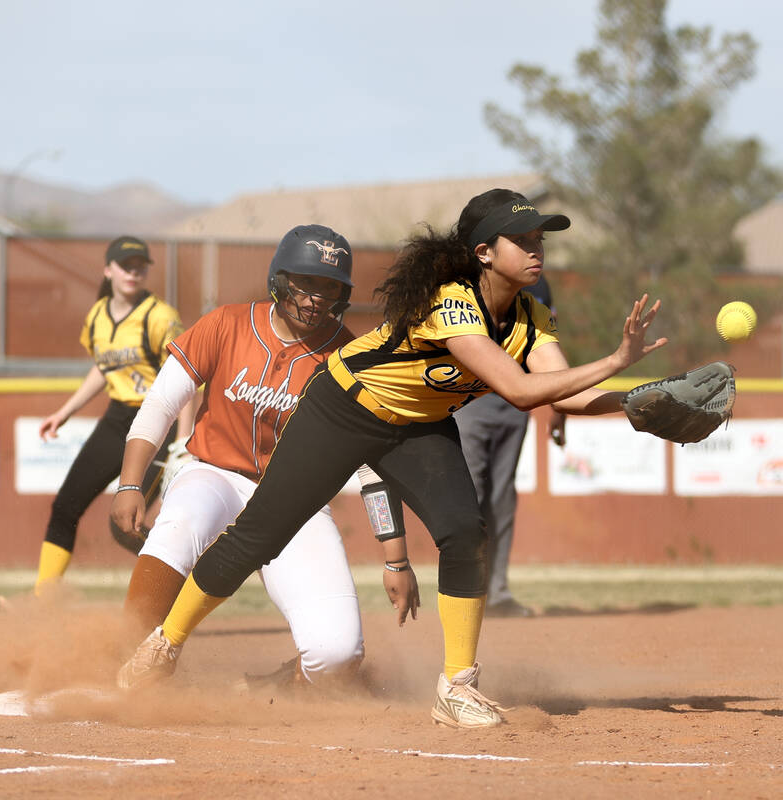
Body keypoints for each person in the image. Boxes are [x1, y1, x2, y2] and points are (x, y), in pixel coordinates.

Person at [117, 188, 668, 729]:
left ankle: (457, 687)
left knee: (463, 531)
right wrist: (619, 359)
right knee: (260, 533)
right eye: (520, 239)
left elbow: (560, 391)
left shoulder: (531, 315)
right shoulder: (451, 301)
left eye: (539, 238)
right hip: (343, 408)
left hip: (419, 424)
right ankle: (164, 644)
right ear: (483, 252)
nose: (536, 249)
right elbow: (522, 391)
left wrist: (640, 403)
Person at [110, 224, 419, 690]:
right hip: (213, 473)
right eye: (306, 281)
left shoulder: (348, 356)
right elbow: (160, 404)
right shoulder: (227, 323)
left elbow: (370, 464)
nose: (317, 296)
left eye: (330, 286)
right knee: (179, 527)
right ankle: (126, 664)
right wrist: (131, 483)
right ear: (279, 278)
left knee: (337, 654)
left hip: (296, 499)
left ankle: (276, 690)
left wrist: (395, 557)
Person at [26, 235, 191, 598]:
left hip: (157, 421)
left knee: (126, 524)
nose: (133, 271)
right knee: (66, 506)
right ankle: (41, 604)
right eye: (125, 264)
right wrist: (65, 412)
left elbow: (187, 375)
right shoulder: (98, 315)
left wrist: (183, 439)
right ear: (108, 270)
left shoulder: (159, 315)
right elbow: (104, 367)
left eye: (139, 265)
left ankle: (180, 583)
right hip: (118, 419)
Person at [454, 274, 566, 617]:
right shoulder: (475, 280)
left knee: (501, 496)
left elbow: (548, 344)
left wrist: (560, 411)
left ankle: (497, 592)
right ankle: (464, 591)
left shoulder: (539, 286)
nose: (531, 249)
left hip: (517, 404)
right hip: (472, 398)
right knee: (468, 495)